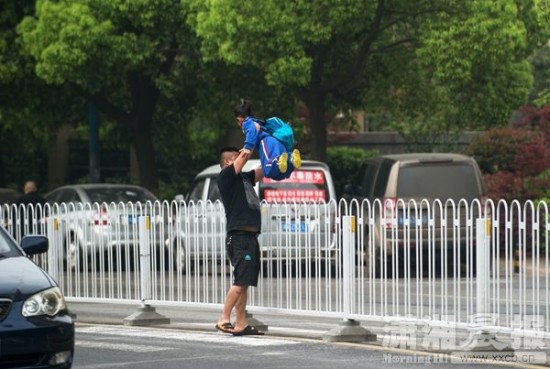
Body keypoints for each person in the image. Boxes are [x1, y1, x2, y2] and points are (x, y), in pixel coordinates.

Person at [215, 146, 265, 336]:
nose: (242, 160)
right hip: (239, 237)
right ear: (228, 162)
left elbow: (263, 170)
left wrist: (278, 158)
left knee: (244, 282)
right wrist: (252, 138)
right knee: (240, 281)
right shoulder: (226, 177)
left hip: (250, 237)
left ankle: (241, 323)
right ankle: (224, 318)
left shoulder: (243, 178)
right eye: (237, 157)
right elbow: (245, 155)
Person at [234, 100, 301, 181]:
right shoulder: (261, 122)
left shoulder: (247, 122)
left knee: (267, 171)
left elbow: (251, 131)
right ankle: (290, 158)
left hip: (266, 142)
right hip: (278, 142)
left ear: (239, 118)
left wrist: (247, 147)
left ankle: (281, 159)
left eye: (237, 120)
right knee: (279, 174)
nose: (238, 123)